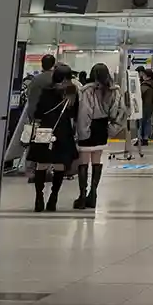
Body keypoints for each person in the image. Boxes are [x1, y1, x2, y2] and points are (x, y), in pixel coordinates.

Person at [74, 63, 127, 209]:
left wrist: (82, 132)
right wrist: (111, 129)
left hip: (88, 127)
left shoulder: (87, 90)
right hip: (102, 128)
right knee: (97, 160)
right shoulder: (114, 91)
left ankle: (82, 196)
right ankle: (94, 194)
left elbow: (85, 113)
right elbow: (121, 113)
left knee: (84, 162)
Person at [26, 63, 78, 212]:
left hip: (45, 132)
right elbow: (74, 114)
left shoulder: (46, 91)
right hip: (63, 133)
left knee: (41, 165)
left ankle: (39, 198)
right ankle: (53, 198)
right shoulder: (72, 94)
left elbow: (37, 113)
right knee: (60, 166)